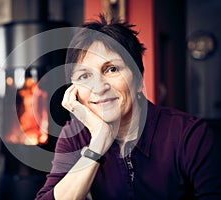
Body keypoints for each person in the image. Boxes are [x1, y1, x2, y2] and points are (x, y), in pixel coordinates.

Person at [35, 14, 221, 200]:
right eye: (85, 76)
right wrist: (98, 144)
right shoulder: (74, 135)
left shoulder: (189, 134)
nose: (99, 87)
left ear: (139, 79)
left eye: (112, 69)